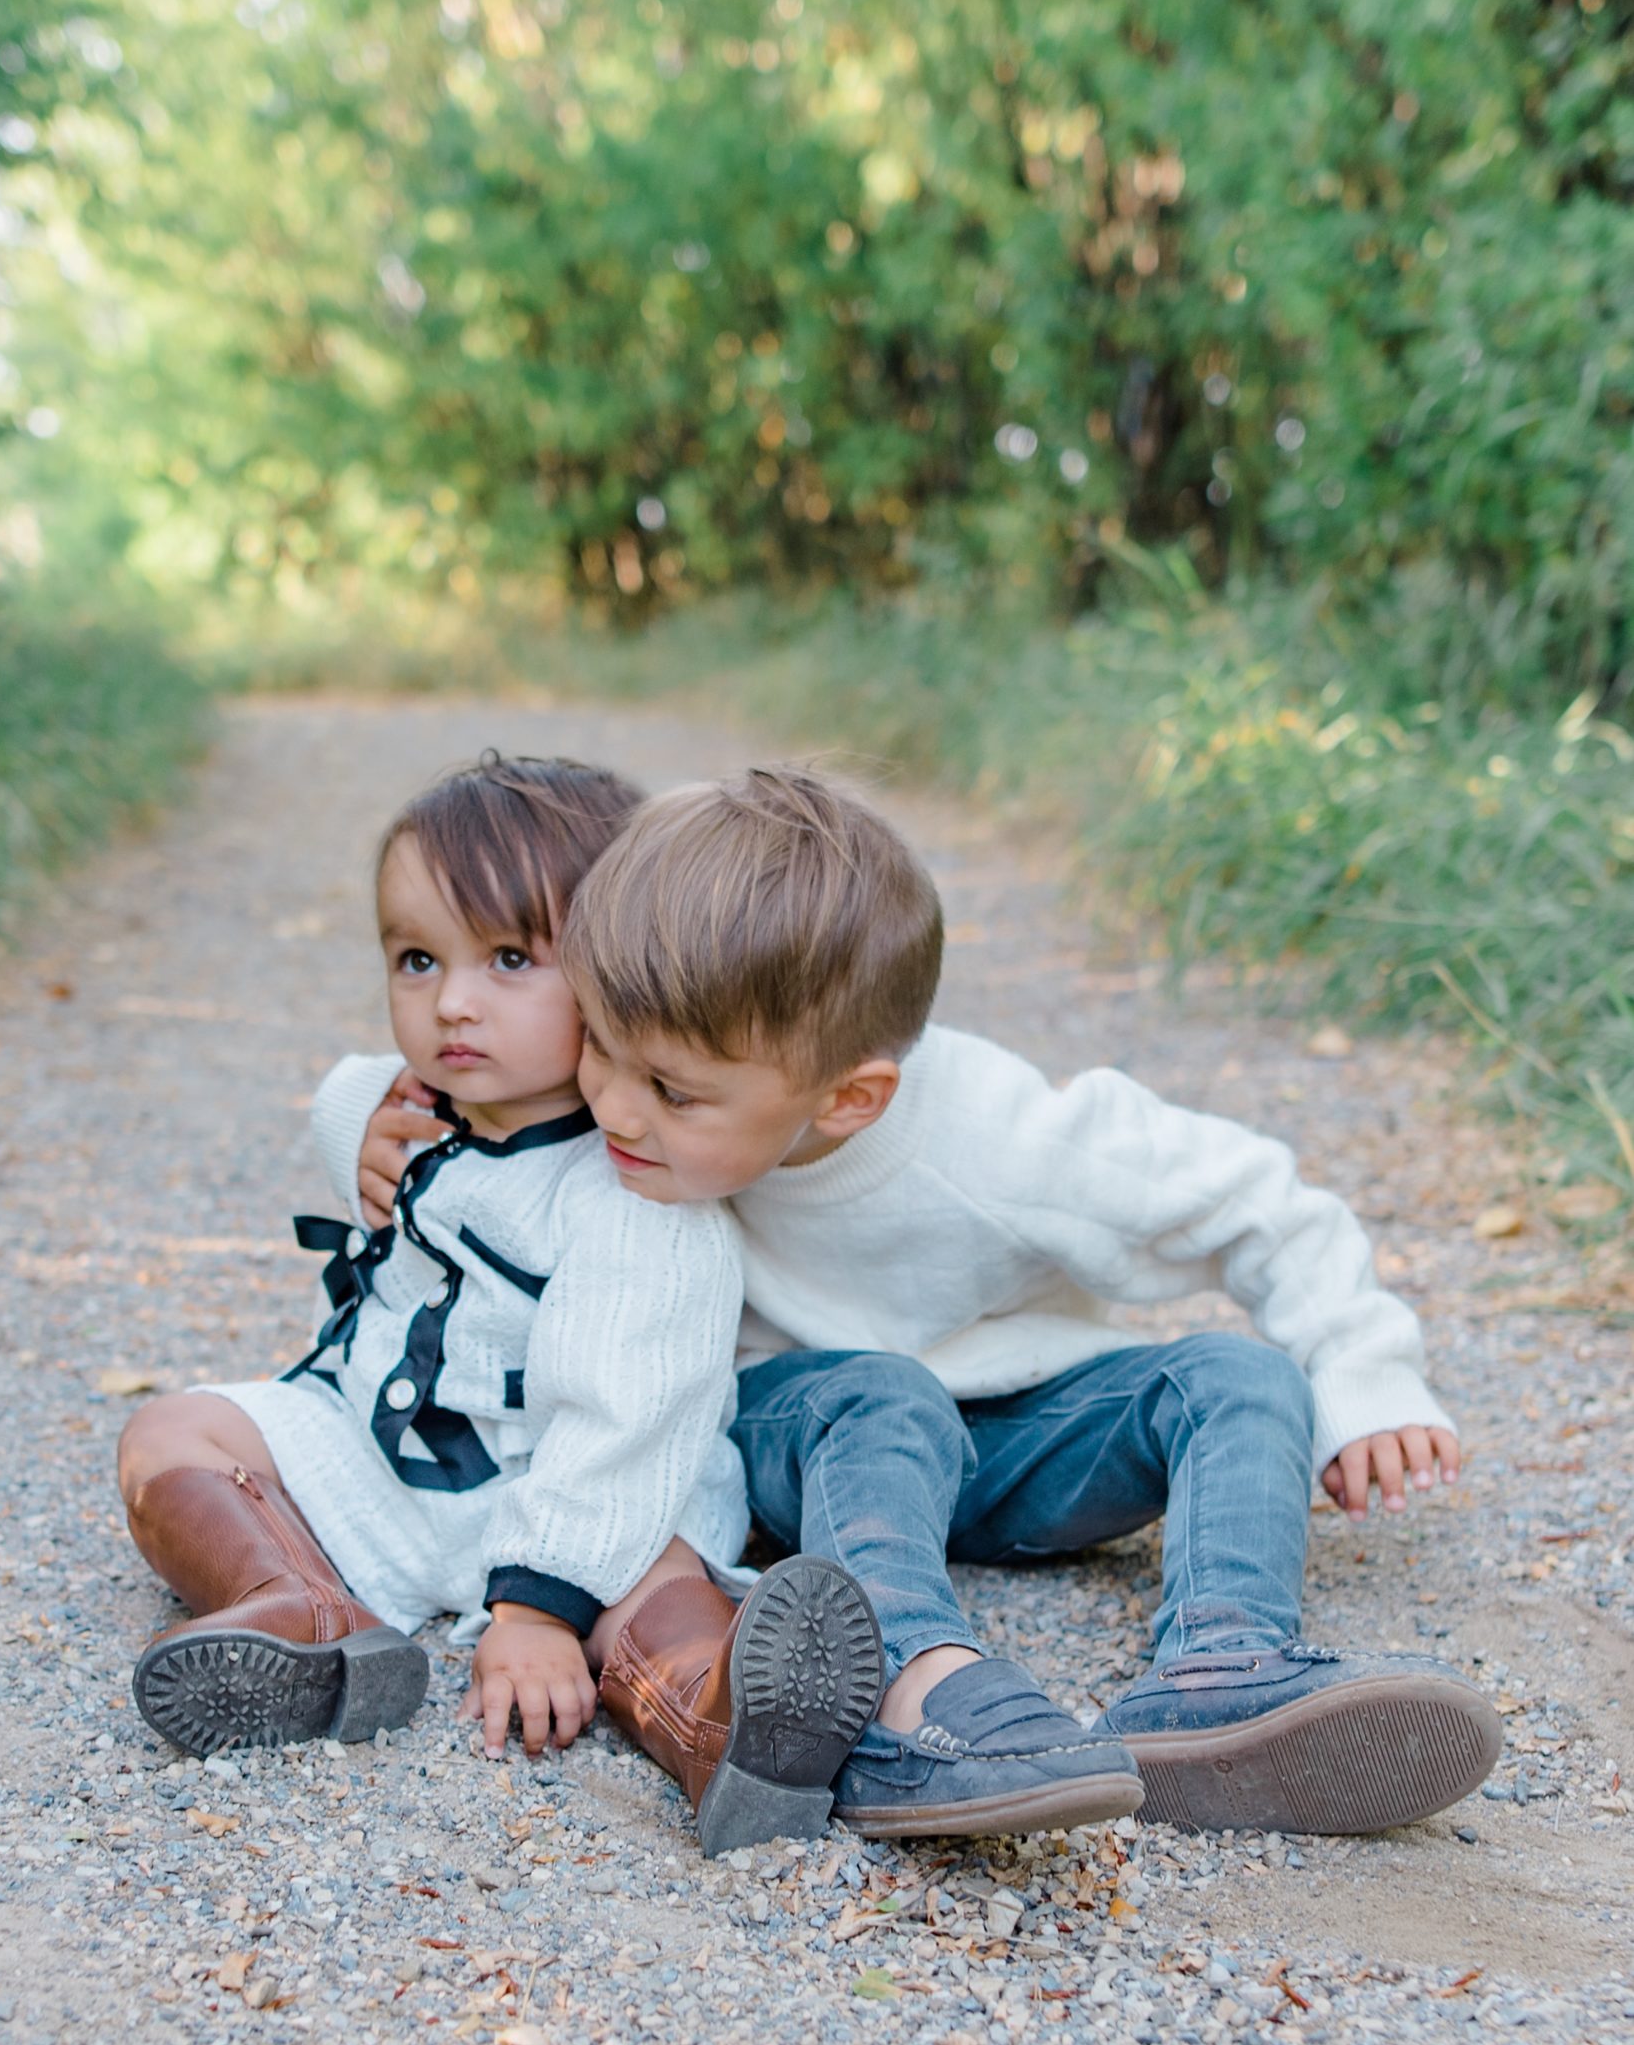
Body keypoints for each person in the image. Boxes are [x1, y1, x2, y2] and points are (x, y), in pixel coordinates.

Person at [359, 765, 1502, 1840]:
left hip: (997, 1441)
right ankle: (915, 1692)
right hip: (790, 1434)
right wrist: (375, 1128)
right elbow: (471, 1105)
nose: (609, 1105)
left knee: (1240, 1376)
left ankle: (1221, 1671)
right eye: (601, 1047)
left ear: (847, 1100)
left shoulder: (1006, 1143)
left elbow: (1258, 1199)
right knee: (880, 1391)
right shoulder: (644, 1114)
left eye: (668, 1089)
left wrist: (1364, 1375)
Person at [117, 752, 884, 1859]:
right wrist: (357, 1117)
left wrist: (535, 1610)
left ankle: (725, 1721)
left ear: (626, 977)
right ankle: (301, 1608)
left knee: (653, 1587)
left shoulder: (635, 1189)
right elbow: (361, 1099)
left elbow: (628, 1420)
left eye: (513, 958)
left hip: (578, 1492)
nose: (451, 1003)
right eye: (416, 958)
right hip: (386, 1467)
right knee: (172, 1431)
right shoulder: (430, 1109)